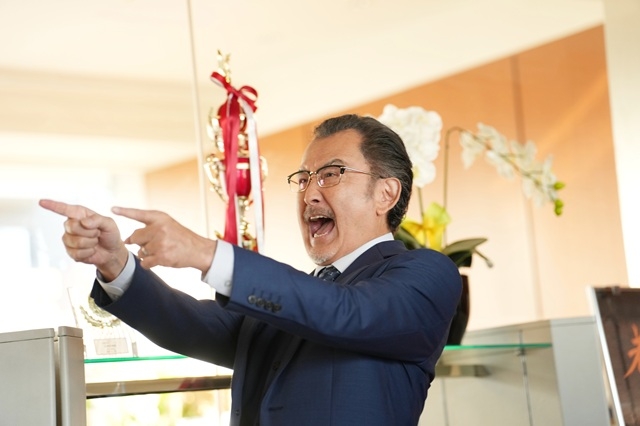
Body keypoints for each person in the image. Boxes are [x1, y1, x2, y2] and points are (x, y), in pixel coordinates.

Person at [40, 113, 462, 426]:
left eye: (331, 175)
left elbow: (346, 312)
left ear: (386, 193)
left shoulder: (428, 274)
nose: (310, 194)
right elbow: (194, 325)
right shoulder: (294, 297)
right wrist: (115, 264)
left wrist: (205, 252)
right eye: (304, 179)